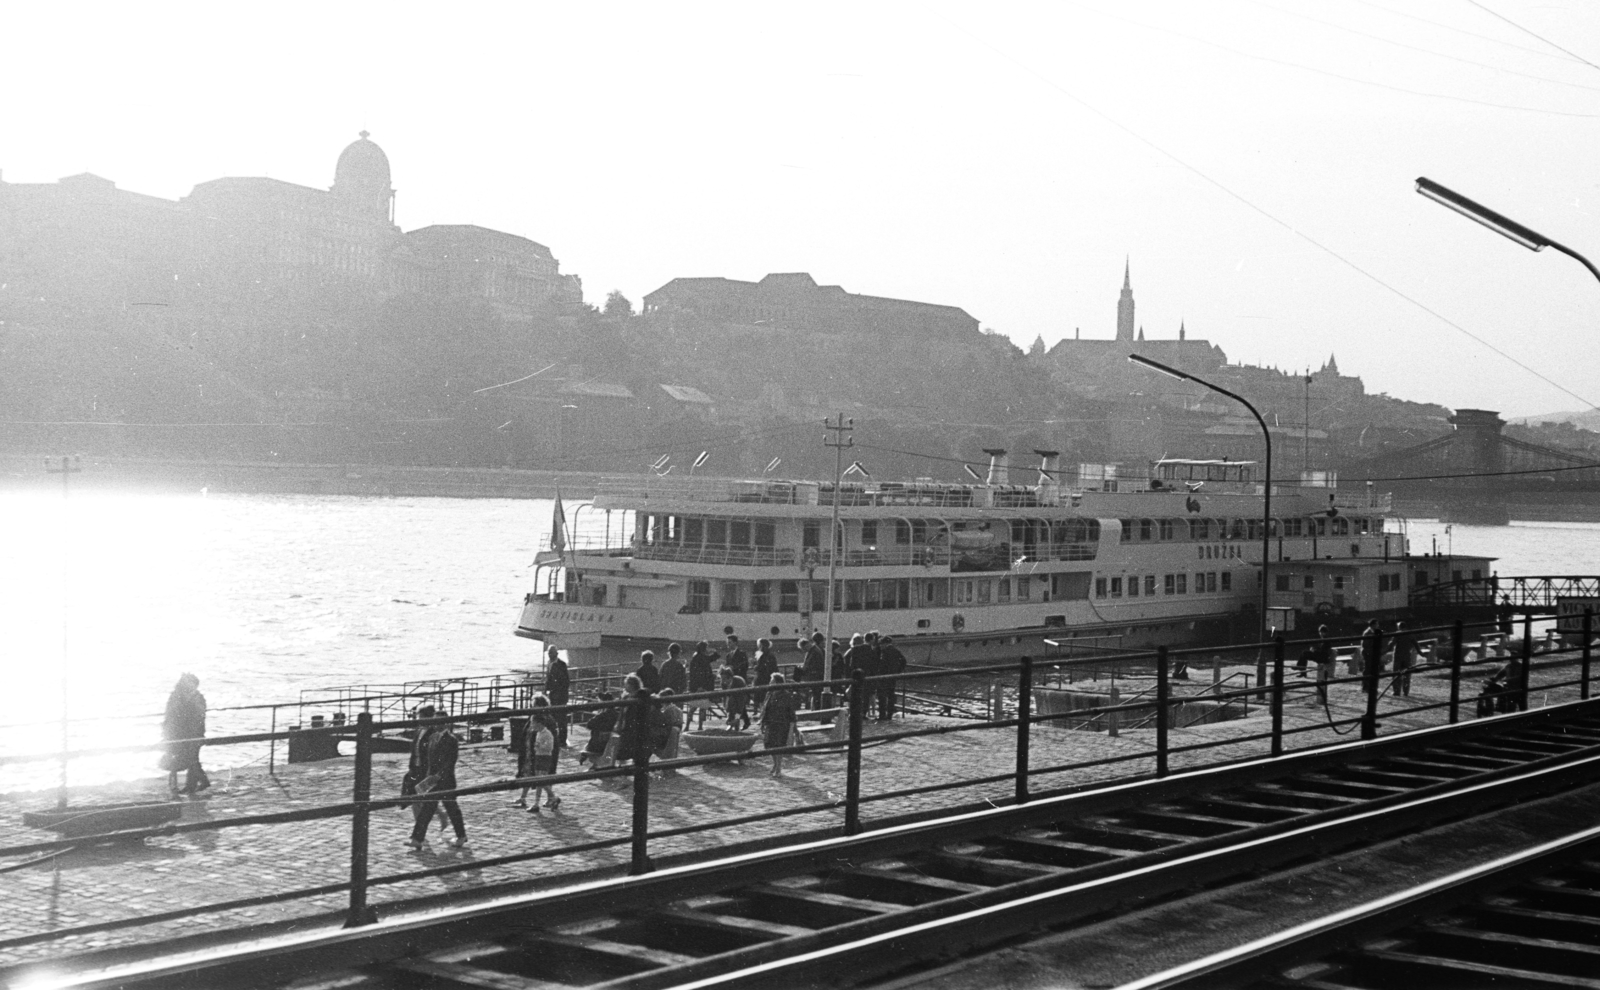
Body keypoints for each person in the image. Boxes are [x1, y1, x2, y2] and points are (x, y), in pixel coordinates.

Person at [407, 715, 467, 849]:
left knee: (451, 810)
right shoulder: (433, 737)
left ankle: (461, 836)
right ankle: (417, 839)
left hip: (445, 781)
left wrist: (438, 775)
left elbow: (450, 762)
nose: (436, 724)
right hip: (433, 781)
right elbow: (429, 761)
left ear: (445, 723)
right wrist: (428, 777)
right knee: (428, 809)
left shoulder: (452, 740)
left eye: (439, 721)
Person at [162, 673, 209, 798]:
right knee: (189, 758)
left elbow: (199, 715)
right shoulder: (177, 696)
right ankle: (194, 784)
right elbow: (170, 714)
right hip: (178, 732)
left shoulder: (196, 697)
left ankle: (197, 783)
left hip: (192, 732)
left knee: (191, 758)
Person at [517, 695, 561, 812]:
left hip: (541, 753)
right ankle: (526, 798)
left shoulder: (546, 720)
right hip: (533, 751)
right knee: (532, 774)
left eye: (535, 705)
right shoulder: (534, 717)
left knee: (540, 776)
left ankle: (549, 798)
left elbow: (551, 740)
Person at [758, 674, 798, 778]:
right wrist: (763, 721)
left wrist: (793, 725)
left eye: (772, 681)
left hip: (781, 723)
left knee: (778, 745)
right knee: (769, 745)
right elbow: (765, 708)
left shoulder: (786, 695)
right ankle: (775, 763)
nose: (770, 683)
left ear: (777, 683)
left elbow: (791, 711)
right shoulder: (770, 694)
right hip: (770, 722)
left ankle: (778, 767)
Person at [400, 704, 438, 807]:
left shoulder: (433, 733)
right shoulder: (418, 731)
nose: (419, 720)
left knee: (420, 793)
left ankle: (437, 815)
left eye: (421, 717)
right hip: (415, 765)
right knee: (411, 789)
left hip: (425, 767)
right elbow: (414, 749)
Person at [579, 691, 618, 767]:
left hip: (599, 744)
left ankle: (588, 758)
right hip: (608, 740)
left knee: (591, 741)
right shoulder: (615, 714)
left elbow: (589, 724)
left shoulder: (603, 715)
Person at [544, 644, 570, 750]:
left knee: (561, 719)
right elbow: (548, 678)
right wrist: (546, 690)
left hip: (560, 695)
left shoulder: (561, 665)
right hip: (553, 695)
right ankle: (556, 738)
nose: (550, 655)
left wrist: (560, 693)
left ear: (556, 653)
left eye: (552, 653)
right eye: (549, 653)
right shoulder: (549, 664)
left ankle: (562, 740)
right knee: (554, 718)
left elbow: (566, 681)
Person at [687, 641, 717, 730]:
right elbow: (715, 656)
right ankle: (699, 726)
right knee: (700, 708)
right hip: (702, 686)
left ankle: (688, 726)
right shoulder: (702, 658)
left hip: (697, 686)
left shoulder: (696, 657)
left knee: (694, 707)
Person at [876, 635, 907, 721]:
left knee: (881, 695)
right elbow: (904, 661)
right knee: (890, 694)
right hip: (893, 676)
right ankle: (889, 715)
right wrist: (898, 671)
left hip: (883, 676)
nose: (880, 646)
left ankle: (882, 715)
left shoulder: (885, 652)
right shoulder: (896, 651)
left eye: (881, 644)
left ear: (885, 644)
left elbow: (882, 664)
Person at [655, 688, 683, 776]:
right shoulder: (676, 708)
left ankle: (666, 768)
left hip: (671, 730)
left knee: (667, 749)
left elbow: (667, 722)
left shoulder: (668, 710)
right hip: (677, 729)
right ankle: (671, 768)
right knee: (673, 749)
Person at [801, 633, 826, 708]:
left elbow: (810, 664)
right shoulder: (815, 650)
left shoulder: (814, 651)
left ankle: (816, 710)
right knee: (816, 694)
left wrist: (804, 669)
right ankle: (815, 709)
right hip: (817, 675)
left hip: (815, 676)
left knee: (816, 694)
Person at [752, 638, 779, 706]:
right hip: (763, 677)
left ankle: (761, 710)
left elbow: (765, 666)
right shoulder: (768, 655)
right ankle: (760, 709)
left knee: (763, 695)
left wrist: (756, 666)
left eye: (760, 645)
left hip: (764, 678)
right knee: (761, 695)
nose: (760, 647)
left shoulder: (767, 655)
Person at [1390, 622, 1413, 698]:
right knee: (1407, 674)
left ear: (1399, 627)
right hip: (1407, 656)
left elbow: (1391, 644)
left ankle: (1397, 691)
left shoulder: (1397, 634)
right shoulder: (1410, 633)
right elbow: (1415, 643)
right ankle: (1406, 691)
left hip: (1398, 657)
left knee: (1396, 673)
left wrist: (1383, 651)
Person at [1314, 625, 1334, 705]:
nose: (1320, 634)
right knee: (1322, 679)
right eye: (1320, 632)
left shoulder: (1325, 640)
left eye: (1321, 632)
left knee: (1321, 678)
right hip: (1323, 660)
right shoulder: (1324, 640)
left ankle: (1321, 697)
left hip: (1323, 660)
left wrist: (1315, 651)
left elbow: (1323, 651)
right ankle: (1322, 697)